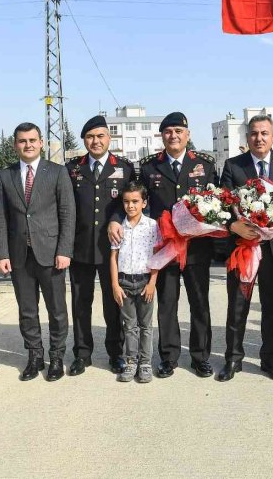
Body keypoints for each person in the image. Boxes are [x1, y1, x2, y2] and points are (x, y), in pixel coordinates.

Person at [108, 112, 218, 379]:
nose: (173, 136)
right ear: (162, 136)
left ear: (188, 135)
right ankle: (169, 357)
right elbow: (132, 197)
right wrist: (115, 219)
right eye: (168, 131)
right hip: (164, 249)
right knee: (167, 305)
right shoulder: (149, 167)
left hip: (196, 248)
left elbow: (217, 201)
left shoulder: (204, 164)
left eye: (179, 131)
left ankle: (201, 357)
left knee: (199, 303)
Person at [217, 114, 273, 383]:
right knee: (237, 305)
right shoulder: (233, 166)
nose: (259, 138)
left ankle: (269, 358)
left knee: (271, 307)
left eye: (264, 133)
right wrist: (234, 225)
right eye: (254, 133)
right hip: (243, 248)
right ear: (247, 138)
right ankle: (233, 359)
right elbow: (223, 203)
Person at [0, 122, 75, 382]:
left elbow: (67, 214)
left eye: (32, 140)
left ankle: (57, 356)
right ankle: (35, 356)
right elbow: (0, 218)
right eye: (22, 141)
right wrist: (2, 254)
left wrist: (64, 250)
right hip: (19, 255)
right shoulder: (4, 176)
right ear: (15, 145)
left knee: (57, 309)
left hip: (51, 254)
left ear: (41, 143)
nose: (27, 145)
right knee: (27, 310)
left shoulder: (57, 172)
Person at [65, 115, 134, 376]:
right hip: (80, 247)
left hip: (112, 249)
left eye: (100, 136)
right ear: (84, 140)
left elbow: (131, 203)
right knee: (80, 304)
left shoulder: (124, 168)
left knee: (113, 303)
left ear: (109, 138)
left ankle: (116, 354)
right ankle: (82, 354)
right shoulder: (72, 169)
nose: (96, 141)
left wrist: (115, 219)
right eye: (90, 137)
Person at [109, 182, 160, 383]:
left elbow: (157, 256)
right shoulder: (118, 227)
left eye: (135, 201)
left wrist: (152, 282)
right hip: (124, 282)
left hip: (144, 281)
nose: (130, 206)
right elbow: (113, 257)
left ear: (144, 203)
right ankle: (131, 361)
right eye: (126, 202)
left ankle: (145, 363)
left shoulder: (152, 226)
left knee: (146, 325)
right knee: (129, 326)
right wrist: (115, 285)